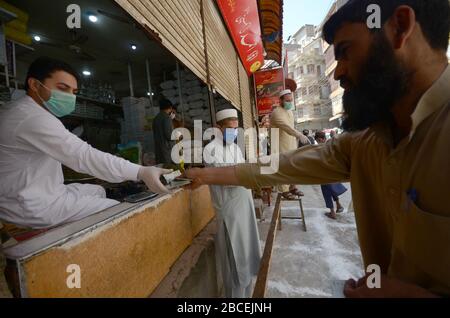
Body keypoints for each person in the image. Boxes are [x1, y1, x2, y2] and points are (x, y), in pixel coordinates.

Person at [186, 0, 450, 297]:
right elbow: (280, 166)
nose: (337, 73)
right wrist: (206, 175)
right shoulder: (364, 143)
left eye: (345, 51)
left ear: (400, 27)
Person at [0, 57, 171, 229]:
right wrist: (140, 171)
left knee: (97, 190)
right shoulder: (33, 118)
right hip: (30, 206)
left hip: (34, 192)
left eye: (73, 92)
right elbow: (83, 156)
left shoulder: (20, 110)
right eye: (62, 88)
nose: (69, 97)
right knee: (116, 210)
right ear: (35, 85)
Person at [203, 109, 261, 298]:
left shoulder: (236, 148)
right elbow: (226, 178)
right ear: (219, 128)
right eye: (230, 128)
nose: (234, 132)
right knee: (234, 265)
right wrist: (251, 174)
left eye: (236, 128)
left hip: (245, 208)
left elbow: (243, 172)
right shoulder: (211, 150)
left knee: (248, 257)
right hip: (230, 214)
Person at [270, 89, 309, 199]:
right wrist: (299, 135)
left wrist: (297, 138)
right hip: (279, 144)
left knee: (292, 165)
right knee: (283, 166)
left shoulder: (290, 112)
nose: (289, 103)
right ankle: (284, 191)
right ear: (280, 100)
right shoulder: (276, 112)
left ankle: (293, 187)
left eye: (291, 100)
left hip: (291, 143)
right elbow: (286, 127)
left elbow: (291, 127)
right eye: (287, 101)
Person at [315, 131, 347, 220]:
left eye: (318, 140)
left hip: (324, 173)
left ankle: (332, 212)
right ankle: (338, 205)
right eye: (317, 140)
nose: (318, 142)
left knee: (326, 192)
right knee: (332, 189)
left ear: (322, 138)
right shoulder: (329, 145)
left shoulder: (322, 147)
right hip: (330, 172)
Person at [153, 98, 176, 166]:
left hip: (158, 149)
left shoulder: (156, 118)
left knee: (161, 169)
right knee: (168, 170)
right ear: (170, 107)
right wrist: (178, 136)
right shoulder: (166, 118)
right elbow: (169, 136)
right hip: (167, 150)